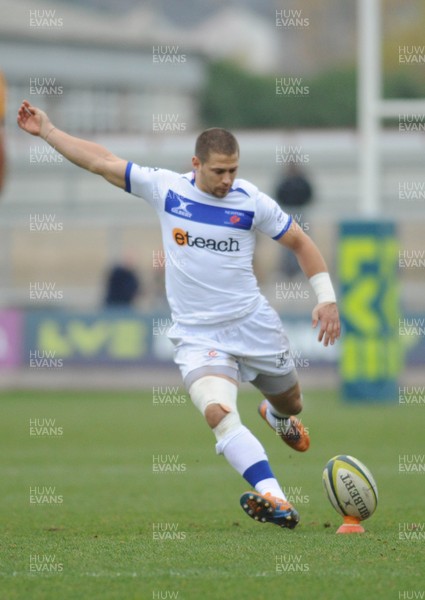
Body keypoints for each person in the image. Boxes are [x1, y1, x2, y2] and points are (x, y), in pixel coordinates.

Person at [17, 100, 340, 530]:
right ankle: (276, 498)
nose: (227, 180)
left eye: (233, 170)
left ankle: (277, 416)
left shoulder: (252, 202)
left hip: (253, 324)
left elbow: (300, 242)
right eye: (219, 171)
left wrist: (326, 297)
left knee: (292, 400)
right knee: (218, 413)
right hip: (197, 335)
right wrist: (50, 131)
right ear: (196, 163)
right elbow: (103, 162)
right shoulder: (166, 189)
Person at [275, 163, 313, 278]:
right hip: (288, 212)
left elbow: (309, 193)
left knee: (301, 242)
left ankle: (301, 270)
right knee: (286, 244)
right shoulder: (284, 181)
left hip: (300, 212)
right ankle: (287, 270)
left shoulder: (302, 181)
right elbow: (278, 194)